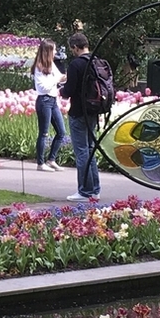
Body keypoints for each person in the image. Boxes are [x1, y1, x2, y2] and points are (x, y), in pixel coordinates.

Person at [60, 33, 104, 202]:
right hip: (93, 111)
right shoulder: (96, 61)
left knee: (82, 152)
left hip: (79, 111)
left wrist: (61, 90)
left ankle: (84, 191)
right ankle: (95, 190)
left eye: (72, 48)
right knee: (90, 149)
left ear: (75, 47)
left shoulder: (76, 64)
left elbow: (69, 90)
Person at [31, 40, 67, 172]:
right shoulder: (39, 67)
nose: (56, 52)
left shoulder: (51, 64)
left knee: (61, 132)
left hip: (53, 100)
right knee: (44, 133)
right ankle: (40, 163)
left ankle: (51, 159)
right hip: (44, 100)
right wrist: (57, 80)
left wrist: (66, 77)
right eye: (54, 50)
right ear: (48, 51)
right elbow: (43, 87)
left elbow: (60, 78)